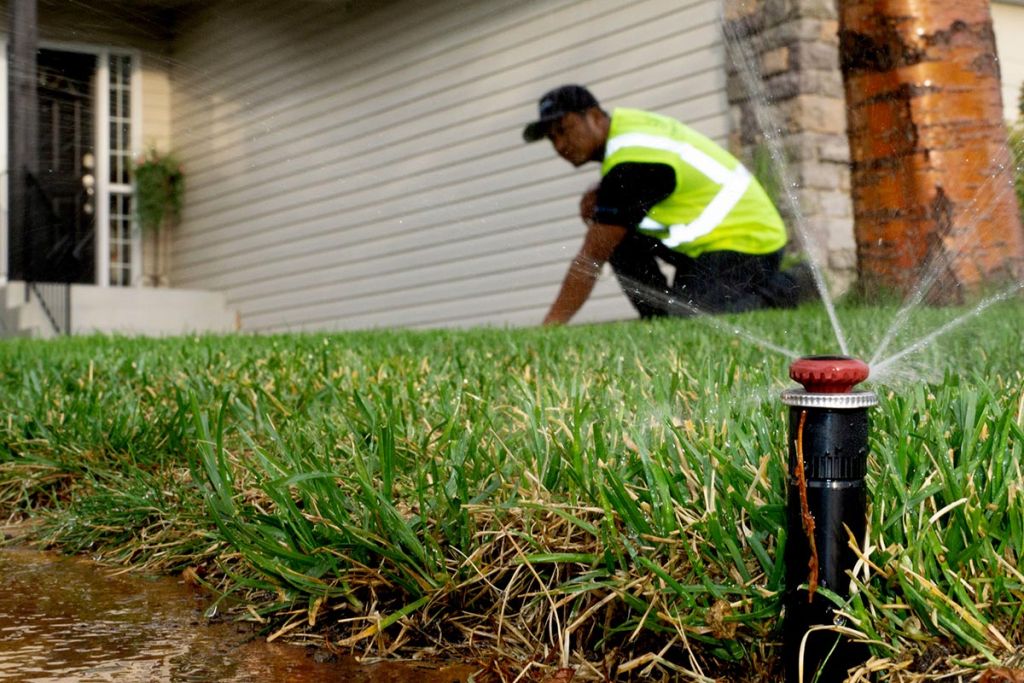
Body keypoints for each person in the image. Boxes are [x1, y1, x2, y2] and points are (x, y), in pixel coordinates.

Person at [522, 84, 812, 325]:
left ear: (596, 117)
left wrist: (550, 326)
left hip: (748, 242)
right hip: (707, 245)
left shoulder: (630, 162)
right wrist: (602, 196)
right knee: (615, 237)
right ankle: (660, 320)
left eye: (564, 129)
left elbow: (591, 257)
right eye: (552, 138)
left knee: (695, 320)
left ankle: (792, 287)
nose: (560, 144)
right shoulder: (627, 132)